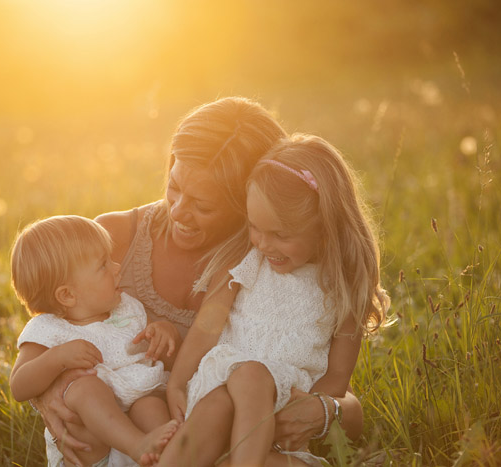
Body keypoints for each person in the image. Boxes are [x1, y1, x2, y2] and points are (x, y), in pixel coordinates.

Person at [32, 97, 366, 466]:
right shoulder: (109, 241)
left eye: (202, 205)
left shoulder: (265, 261)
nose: (177, 211)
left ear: (249, 201)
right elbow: (45, 328)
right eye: (174, 186)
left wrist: (324, 412)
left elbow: (337, 395)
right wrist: (49, 390)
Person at [161, 134, 391, 466]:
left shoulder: (342, 288)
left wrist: (301, 415)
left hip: (285, 404)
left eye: (280, 235)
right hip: (220, 388)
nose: (264, 244)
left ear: (325, 229)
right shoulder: (245, 259)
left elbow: (337, 378)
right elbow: (206, 329)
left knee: (253, 380)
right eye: (255, 227)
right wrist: (177, 385)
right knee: (235, 388)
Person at [9, 216, 181, 466]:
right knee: (85, 388)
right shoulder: (47, 329)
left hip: (138, 418)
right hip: (91, 448)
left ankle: (165, 459)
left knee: (151, 405)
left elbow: (160, 356)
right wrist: (56, 358)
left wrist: (165, 332)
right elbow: (18, 386)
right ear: (67, 295)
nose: (117, 266)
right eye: (103, 265)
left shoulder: (125, 308)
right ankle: (137, 445)